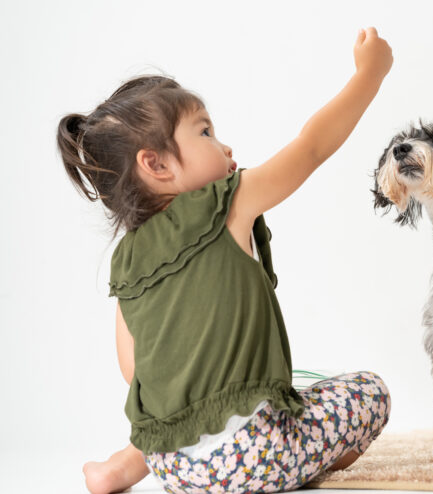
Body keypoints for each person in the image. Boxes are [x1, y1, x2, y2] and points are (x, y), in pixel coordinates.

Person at [57, 27, 393, 494]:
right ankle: (313, 460)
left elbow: (135, 371)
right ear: (157, 165)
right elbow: (311, 147)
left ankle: (119, 468)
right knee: (368, 391)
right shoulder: (227, 203)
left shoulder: (127, 261)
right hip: (250, 456)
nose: (226, 146)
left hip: (173, 466)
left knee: (183, 411)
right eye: (206, 132)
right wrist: (369, 75)